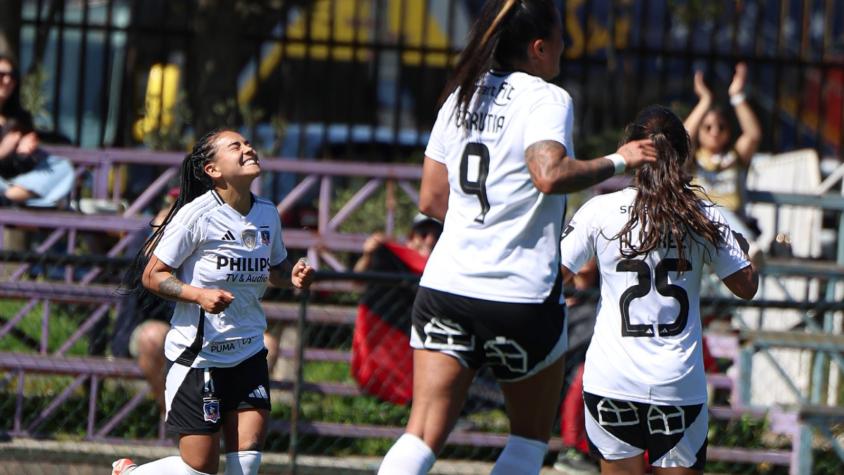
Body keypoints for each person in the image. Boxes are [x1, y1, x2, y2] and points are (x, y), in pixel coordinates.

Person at [376, 1, 657, 474]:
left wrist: (481, 224)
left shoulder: (459, 97)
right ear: (539, 48)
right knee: (527, 443)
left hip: (447, 287)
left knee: (422, 433)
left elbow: (430, 199)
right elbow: (548, 174)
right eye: (562, 38)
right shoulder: (547, 98)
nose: (566, 47)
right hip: (519, 295)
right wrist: (620, 160)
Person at [560, 105, 758, 475]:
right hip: (676, 384)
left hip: (611, 380)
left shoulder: (599, 210)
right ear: (684, 154)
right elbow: (746, 287)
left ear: (630, 149)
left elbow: (555, 275)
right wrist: (742, 250)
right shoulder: (703, 215)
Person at [112, 129, 315, 475]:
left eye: (248, 143)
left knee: (246, 463)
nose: (248, 148)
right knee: (200, 469)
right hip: (199, 356)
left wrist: (290, 276)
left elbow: (274, 268)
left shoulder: (267, 213)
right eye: (236, 146)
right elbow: (152, 275)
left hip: (248, 352)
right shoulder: (197, 214)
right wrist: (198, 295)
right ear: (213, 170)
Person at [683, 62, 762, 249]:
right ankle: (748, 245)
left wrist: (737, 97)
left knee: (721, 214)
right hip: (699, 230)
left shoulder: (735, 156)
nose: (715, 132)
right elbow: (682, 139)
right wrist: (705, 101)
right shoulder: (693, 158)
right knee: (712, 210)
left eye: (721, 126)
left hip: (731, 231)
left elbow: (753, 135)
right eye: (707, 127)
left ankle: (744, 244)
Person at [0, 53, 73, 207]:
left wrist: (23, 155)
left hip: (15, 182)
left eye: (12, 76)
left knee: (61, 166)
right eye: (1, 75)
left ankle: (10, 197)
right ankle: (17, 198)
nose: (7, 81)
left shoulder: (20, 117)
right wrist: (3, 150)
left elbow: (21, 168)